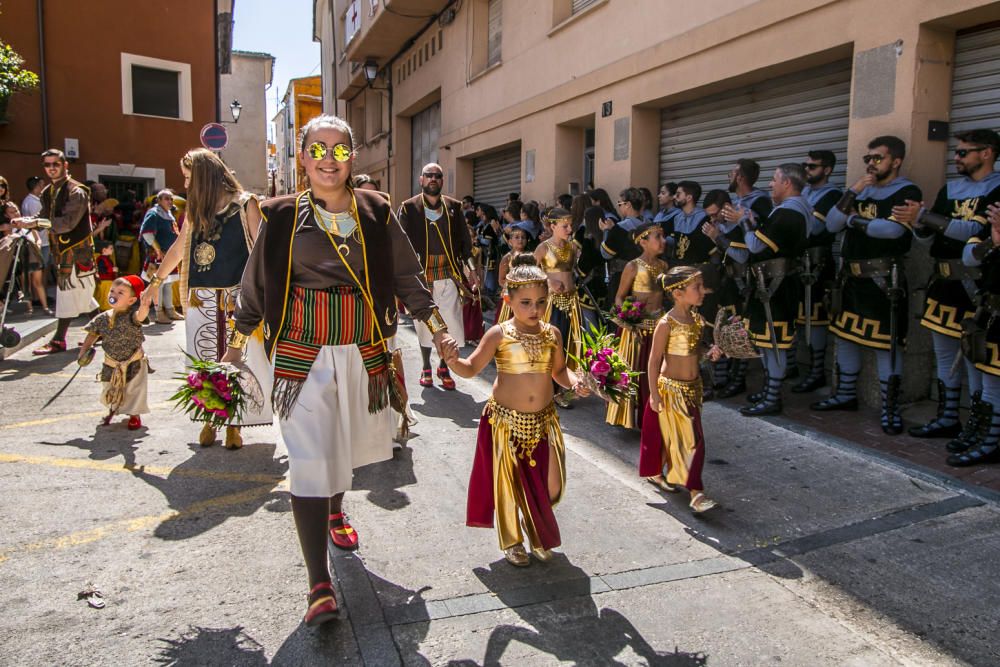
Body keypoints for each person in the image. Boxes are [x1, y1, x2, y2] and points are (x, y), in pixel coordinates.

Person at [223, 114, 456, 625]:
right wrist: (235, 348)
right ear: (302, 158)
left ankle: (335, 509)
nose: (329, 160)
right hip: (300, 356)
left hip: (363, 351)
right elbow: (255, 287)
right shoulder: (280, 214)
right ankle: (319, 585)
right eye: (318, 149)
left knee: (341, 446)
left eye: (340, 150)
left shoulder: (377, 209)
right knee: (309, 459)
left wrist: (438, 331)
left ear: (353, 157)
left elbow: (405, 276)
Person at [444, 254, 589, 566]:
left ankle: (532, 520)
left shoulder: (552, 334)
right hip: (506, 422)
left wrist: (576, 382)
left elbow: (560, 372)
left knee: (552, 484)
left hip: (544, 421)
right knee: (509, 484)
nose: (534, 310)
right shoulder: (499, 334)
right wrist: (453, 361)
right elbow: (471, 368)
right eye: (525, 302)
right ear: (508, 300)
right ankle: (513, 541)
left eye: (540, 301)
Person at [149, 148, 273, 449]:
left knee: (238, 362)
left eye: (190, 178)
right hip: (200, 299)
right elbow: (179, 248)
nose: (187, 185)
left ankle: (234, 426)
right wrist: (155, 282)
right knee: (204, 359)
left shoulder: (246, 205)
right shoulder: (196, 212)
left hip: (237, 299)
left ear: (205, 177)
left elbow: (263, 251)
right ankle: (210, 420)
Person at [894, 129, 1000, 442]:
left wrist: (925, 217)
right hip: (943, 283)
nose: (956, 157)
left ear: (987, 153)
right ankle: (948, 416)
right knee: (944, 357)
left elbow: (973, 230)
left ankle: (977, 426)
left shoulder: (997, 189)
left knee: (974, 359)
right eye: (957, 152)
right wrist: (919, 224)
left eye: (964, 152)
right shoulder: (950, 188)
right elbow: (933, 235)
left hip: (975, 287)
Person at [816, 136, 920, 435]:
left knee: (887, 345)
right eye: (868, 158)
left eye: (878, 158)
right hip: (851, 278)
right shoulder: (860, 191)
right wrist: (853, 191)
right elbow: (831, 224)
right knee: (845, 336)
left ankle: (890, 407)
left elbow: (892, 230)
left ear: (895, 161)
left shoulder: (907, 191)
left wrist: (854, 222)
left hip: (884, 281)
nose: (871, 163)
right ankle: (845, 394)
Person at [639, 265, 723, 512]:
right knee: (693, 441)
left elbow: (695, 353)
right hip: (671, 391)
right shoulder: (667, 323)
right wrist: (654, 395)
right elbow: (654, 361)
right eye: (696, 287)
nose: (703, 291)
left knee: (675, 437)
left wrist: (710, 353)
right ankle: (696, 494)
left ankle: (657, 472)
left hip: (693, 389)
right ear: (677, 293)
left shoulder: (698, 320)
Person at [740, 164, 811, 417]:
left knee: (775, 345)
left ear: (787, 184)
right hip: (774, 285)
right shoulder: (790, 210)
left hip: (778, 288)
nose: (771, 184)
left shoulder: (789, 213)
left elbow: (757, 246)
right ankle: (770, 391)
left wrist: (744, 223)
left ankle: (773, 398)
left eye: (774, 179)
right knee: (770, 344)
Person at [10, 150, 97, 353]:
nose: (51, 168)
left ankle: (58, 340)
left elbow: (67, 223)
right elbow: (44, 216)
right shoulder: (49, 191)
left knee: (66, 295)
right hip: (63, 252)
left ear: (65, 165)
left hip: (76, 252)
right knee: (84, 297)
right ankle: (105, 330)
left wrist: (35, 222)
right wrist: (28, 222)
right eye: (47, 165)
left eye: (55, 164)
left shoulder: (77, 191)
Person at [397, 162, 473, 390]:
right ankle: (425, 367)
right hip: (422, 277)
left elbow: (465, 245)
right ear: (421, 180)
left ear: (442, 180)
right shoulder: (409, 208)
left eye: (437, 176)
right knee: (424, 325)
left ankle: (443, 366)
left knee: (449, 323)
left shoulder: (454, 207)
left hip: (448, 275)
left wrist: (472, 273)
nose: (433, 179)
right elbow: (401, 245)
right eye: (428, 175)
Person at [950, 204, 1000, 466]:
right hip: (992, 309)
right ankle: (987, 439)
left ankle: (990, 441)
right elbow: (969, 257)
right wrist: (994, 241)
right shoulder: (993, 218)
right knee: (988, 373)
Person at [606, 222, 667, 430]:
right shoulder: (633, 266)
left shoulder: (663, 267)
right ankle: (632, 417)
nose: (662, 241)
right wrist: (628, 320)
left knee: (657, 373)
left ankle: (654, 416)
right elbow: (619, 297)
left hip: (658, 327)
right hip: (636, 329)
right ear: (643, 241)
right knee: (636, 373)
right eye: (657, 237)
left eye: (662, 236)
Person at [792, 150, 843, 393]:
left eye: (812, 167)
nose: (807, 170)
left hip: (818, 263)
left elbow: (813, 227)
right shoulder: (803, 193)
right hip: (797, 261)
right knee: (798, 318)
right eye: (805, 166)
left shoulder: (832, 194)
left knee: (816, 319)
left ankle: (817, 371)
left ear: (827, 170)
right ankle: (795, 366)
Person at [80, 275, 153, 430]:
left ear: (131, 300)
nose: (114, 295)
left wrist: (145, 306)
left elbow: (141, 316)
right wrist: (83, 352)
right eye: (112, 291)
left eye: (120, 293)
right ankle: (113, 409)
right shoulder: (101, 318)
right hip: (111, 363)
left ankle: (134, 415)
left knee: (134, 389)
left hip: (133, 361)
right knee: (109, 388)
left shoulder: (132, 316)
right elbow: (92, 334)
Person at [535, 208, 589, 407]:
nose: (569, 229)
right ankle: (547, 388)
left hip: (571, 302)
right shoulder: (543, 248)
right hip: (552, 304)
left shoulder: (573, 248)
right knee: (551, 345)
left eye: (570, 225)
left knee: (570, 344)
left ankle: (565, 388)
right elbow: (529, 272)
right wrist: (548, 281)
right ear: (552, 226)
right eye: (564, 226)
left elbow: (574, 271)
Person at [701, 188, 750, 396]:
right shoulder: (718, 226)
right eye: (709, 215)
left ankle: (737, 379)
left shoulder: (739, 225)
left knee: (735, 332)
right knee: (715, 330)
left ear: (726, 207)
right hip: (720, 285)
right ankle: (718, 377)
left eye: (715, 213)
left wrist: (718, 237)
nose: (712, 218)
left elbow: (741, 256)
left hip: (737, 286)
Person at [140, 189, 182, 324]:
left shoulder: (169, 214)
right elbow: (147, 233)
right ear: (158, 200)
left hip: (168, 254)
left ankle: (170, 310)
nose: (170, 201)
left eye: (171, 199)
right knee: (158, 284)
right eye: (166, 199)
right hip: (159, 255)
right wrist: (158, 249)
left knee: (168, 283)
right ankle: (159, 313)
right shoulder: (153, 214)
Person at [495, 228, 529, 323]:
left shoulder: (530, 257)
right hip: (511, 296)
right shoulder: (507, 258)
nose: (520, 240)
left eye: (523, 237)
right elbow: (501, 280)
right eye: (517, 237)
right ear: (510, 242)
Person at [94, 240, 117, 311]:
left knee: (106, 299)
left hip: (108, 283)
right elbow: (100, 270)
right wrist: (111, 270)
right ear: (104, 250)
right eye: (111, 248)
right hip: (104, 283)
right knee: (103, 298)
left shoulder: (108, 259)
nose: (112, 250)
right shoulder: (101, 259)